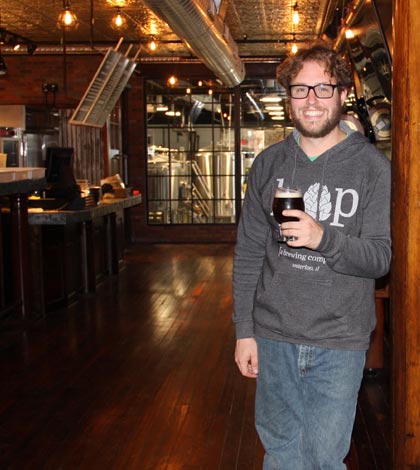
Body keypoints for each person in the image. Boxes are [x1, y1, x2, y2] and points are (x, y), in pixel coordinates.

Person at [232, 42, 391, 470]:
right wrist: (244, 330)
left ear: (342, 94)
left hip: (340, 340)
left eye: (324, 88)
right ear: (289, 99)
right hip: (273, 335)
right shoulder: (267, 164)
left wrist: (324, 238)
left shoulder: (372, 167)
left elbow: (380, 259)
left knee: (324, 458)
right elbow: (248, 251)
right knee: (280, 453)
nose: (312, 101)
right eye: (300, 90)